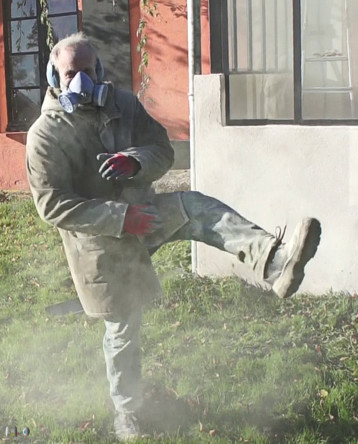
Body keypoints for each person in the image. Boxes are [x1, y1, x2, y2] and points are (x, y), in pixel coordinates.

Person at [26, 32, 321, 441]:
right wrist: (119, 217)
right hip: (99, 242)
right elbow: (52, 205)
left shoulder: (123, 104)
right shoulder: (45, 134)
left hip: (145, 216)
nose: (83, 81)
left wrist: (135, 162)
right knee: (123, 327)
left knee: (196, 207)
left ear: (100, 70)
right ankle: (127, 412)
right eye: (72, 73)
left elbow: (161, 149)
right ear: (54, 76)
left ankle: (274, 262)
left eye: (89, 71)